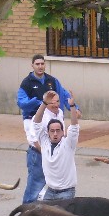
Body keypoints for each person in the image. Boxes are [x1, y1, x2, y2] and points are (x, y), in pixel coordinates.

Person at [16, 54, 79, 203]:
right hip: (38, 147)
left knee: (50, 184)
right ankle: (28, 210)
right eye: (37, 64)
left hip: (52, 149)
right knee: (36, 184)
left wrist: (74, 107)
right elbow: (22, 103)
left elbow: (63, 94)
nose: (40, 66)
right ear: (32, 65)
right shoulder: (27, 84)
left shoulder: (52, 81)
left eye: (42, 63)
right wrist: (40, 102)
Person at [33, 90, 80, 200]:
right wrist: (44, 103)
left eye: (58, 131)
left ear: (63, 132)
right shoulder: (44, 142)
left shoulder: (68, 144)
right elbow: (36, 123)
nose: (55, 134)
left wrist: (72, 106)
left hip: (66, 192)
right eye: (52, 131)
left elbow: (74, 126)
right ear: (47, 133)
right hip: (50, 191)